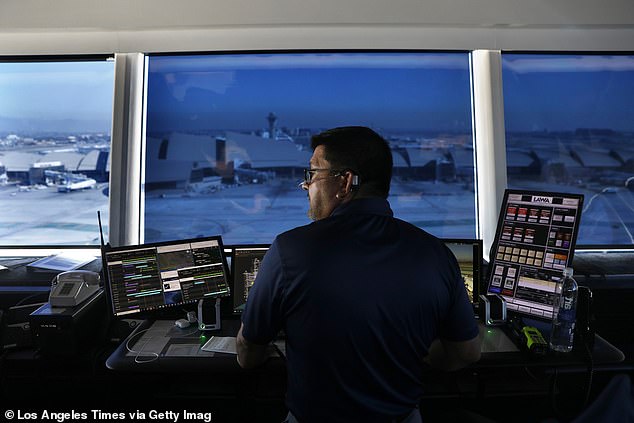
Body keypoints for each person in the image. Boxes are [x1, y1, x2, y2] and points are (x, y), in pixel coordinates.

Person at [236, 126, 481, 423]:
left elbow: (248, 354)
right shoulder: (437, 254)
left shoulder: (290, 249)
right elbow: (466, 353)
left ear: (345, 182)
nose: (306, 185)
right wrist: (419, 353)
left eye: (313, 174)